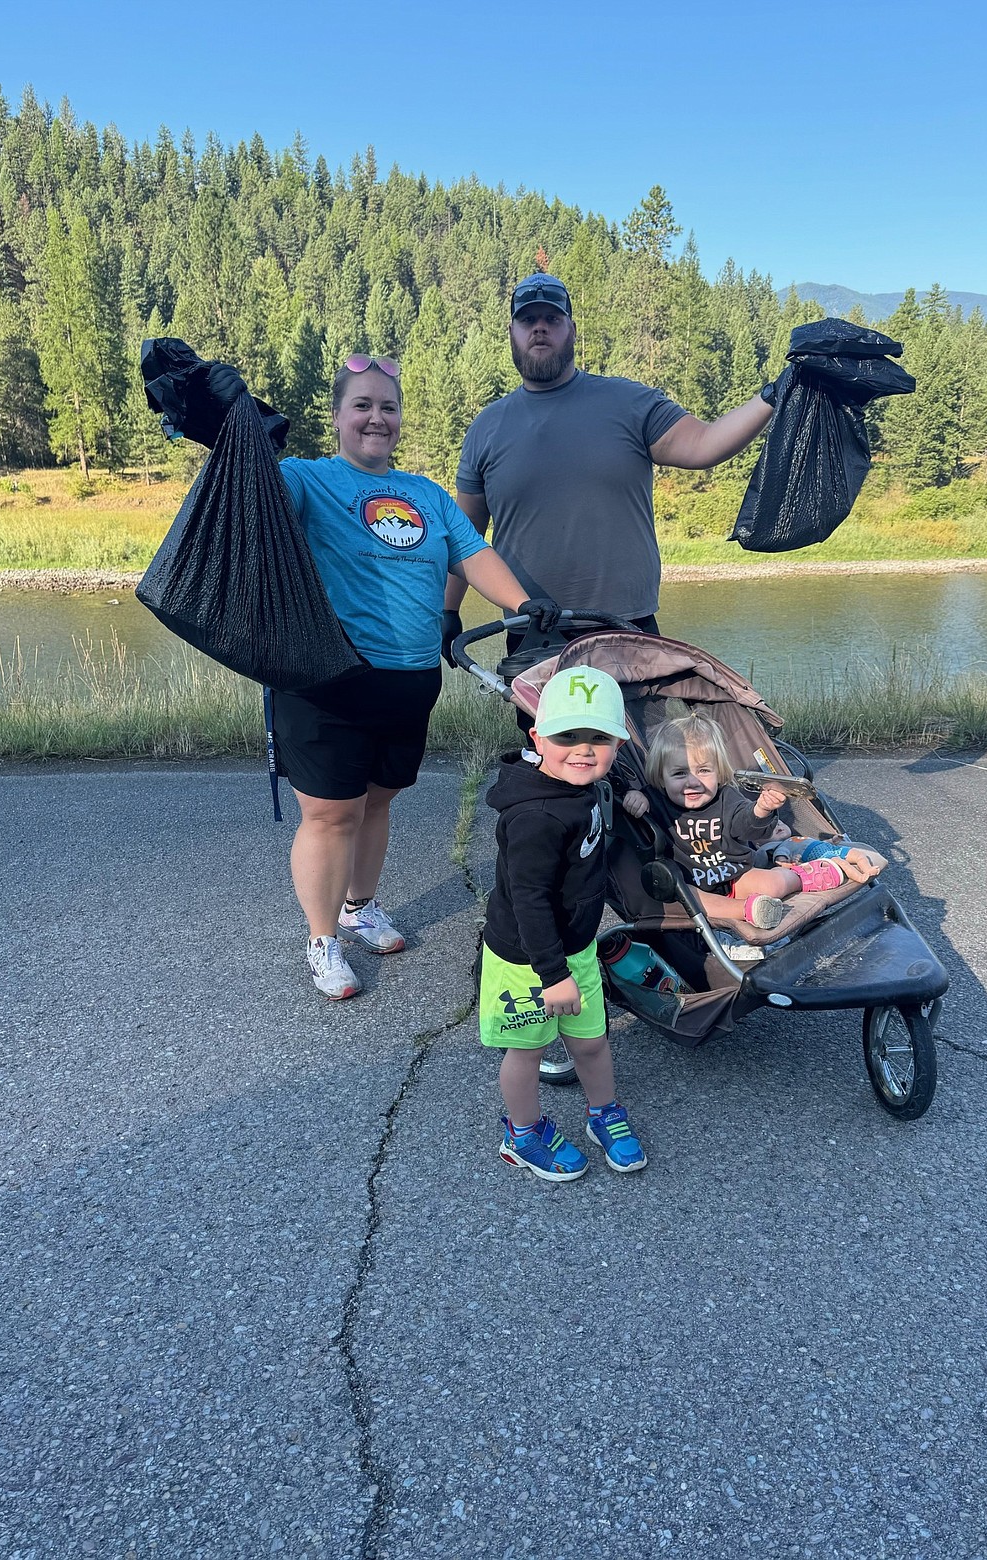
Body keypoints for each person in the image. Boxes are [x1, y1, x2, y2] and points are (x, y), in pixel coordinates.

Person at [257, 353, 559, 1000]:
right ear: (336, 417)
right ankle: (322, 940)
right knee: (332, 814)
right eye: (361, 405)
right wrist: (242, 440)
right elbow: (257, 498)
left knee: (377, 800)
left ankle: (359, 906)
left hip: (410, 680)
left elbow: (473, 554)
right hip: (328, 681)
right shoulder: (307, 479)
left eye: (387, 406)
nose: (376, 417)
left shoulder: (426, 494)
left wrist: (522, 605)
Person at [442, 271, 777, 662]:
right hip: (531, 633)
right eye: (527, 320)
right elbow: (464, 538)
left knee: (638, 726)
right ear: (512, 332)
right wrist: (447, 611)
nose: (539, 329)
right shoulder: (486, 427)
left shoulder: (631, 403)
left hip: (628, 629)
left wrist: (774, 394)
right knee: (543, 729)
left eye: (552, 319)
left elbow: (705, 444)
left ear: (572, 329)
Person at [480, 665, 648, 1182]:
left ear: (618, 744)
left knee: (591, 1041)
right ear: (537, 738)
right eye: (566, 736)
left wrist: (625, 794)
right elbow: (529, 902)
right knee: (527, 1050)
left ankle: (604, 1114)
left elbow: (599, 782)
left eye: (599, 737)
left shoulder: (584, 786)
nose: (583, 749)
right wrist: (552, 975)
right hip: (529, 960)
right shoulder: (535, 818)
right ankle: (522, 1133)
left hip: (574, 947)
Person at [622, 713, 887, 935]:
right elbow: (639, 809)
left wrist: (761, 809)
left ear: (719, 772)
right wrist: (636, 796)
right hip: (692, 883)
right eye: (680, 773)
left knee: (772, 884)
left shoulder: (726, 798)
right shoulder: (655, 800)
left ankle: (806, 873)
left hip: (735, 875)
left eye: (703, 771)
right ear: (661, 776)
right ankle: (751, 909)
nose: (692, 782)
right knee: (688, 898)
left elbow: (747, 826)